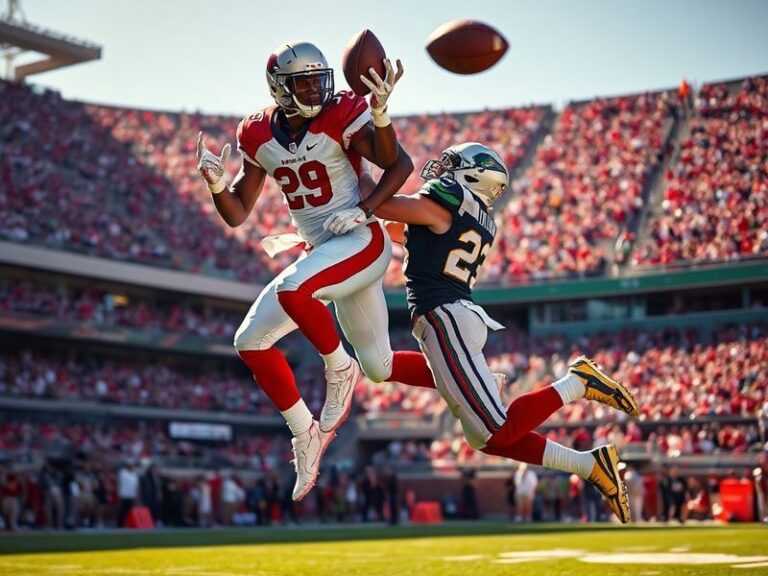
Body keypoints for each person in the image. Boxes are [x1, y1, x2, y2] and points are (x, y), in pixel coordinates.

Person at [196, 41, 434, 501]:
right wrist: (217, 184)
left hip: (360, 238)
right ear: (279, 89)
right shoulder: (256, 133)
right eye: (302, 82)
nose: (314, 88)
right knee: (258, 342)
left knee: (293, 291)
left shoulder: (340, 111)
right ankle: (305, 431)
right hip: (324, 250)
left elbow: (397, 163)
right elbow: (238, 212)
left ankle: (338, 368)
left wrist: (367, 201)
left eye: (317, 78)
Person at [356, 142, 640, 523]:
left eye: (453, 165)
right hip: (453, 319)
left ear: (473, 175)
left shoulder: (451, 198)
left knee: (494, 432)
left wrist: (355, 169)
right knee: (482, 438)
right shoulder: (475, 216)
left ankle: (577, 383)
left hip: (445, 318)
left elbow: (385, 207)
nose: (442, 170)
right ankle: (590, 466)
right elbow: (398, 228)